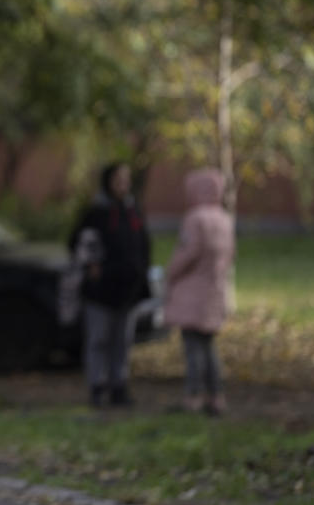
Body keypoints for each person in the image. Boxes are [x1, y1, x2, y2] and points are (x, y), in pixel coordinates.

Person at [67, 161, 151, 408]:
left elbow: (143, 245)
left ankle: (119, 385)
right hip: (101, 291)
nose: (123, 185)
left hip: (129, 290)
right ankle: (97, 386)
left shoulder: (133, 210)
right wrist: (91, 266)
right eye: (118, 180)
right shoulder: (96, 213)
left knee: (122, 341)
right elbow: (78, 243)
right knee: (99, 339)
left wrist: (141, 272)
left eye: (126, 180)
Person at [163, 168, 235, 416]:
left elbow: (187, 253)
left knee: (193, 348)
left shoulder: (195, 219)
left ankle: (193, 397)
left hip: (192, 295)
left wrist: (169, 274)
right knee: (208, 347)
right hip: (215, 291)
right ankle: (216, 396)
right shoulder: (224, 219)